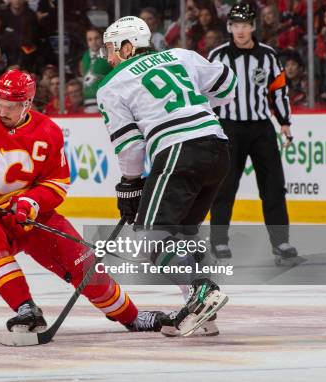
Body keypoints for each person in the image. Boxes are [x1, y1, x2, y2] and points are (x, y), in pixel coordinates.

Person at [0, 68, 168, 334]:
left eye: (10, 106)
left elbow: (57, 183)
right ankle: (25, 308)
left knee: (84, 266)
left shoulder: (48, 131)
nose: (1, 111)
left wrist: (32, 202)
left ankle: (132, 317)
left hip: (32, 214)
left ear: (27, 104)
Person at [97, 16, 234, 336]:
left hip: (179, 152)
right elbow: (227, 86)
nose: (110, 58)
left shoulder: (113, 84)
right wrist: (193, 108)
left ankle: (203, 291)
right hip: (218, 148)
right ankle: (202, 314)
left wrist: (129, 185)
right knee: (181, 235)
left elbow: (130, 147)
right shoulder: (181, 55)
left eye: (112, 50)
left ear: (128, 46)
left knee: (150, 237)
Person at [208, 3, 300, 266]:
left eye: (245, 25)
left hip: (261, 128)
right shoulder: (218, 56)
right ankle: (219, 240)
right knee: (224, 186)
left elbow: (278, 90)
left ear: (253, 26)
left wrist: (284, 121)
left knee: (273, 185)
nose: (240, 30)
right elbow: (204, 91)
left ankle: (281, 241)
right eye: (235, 25)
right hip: (229, 127)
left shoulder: (268, 56)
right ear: (229, 27)